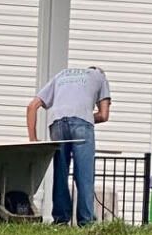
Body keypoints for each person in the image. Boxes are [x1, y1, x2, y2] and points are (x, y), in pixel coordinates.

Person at [26, 65, 111, 226]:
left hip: (56, 122)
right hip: (82, 124)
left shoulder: (61, 74)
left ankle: (60, 220)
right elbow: (104, 115)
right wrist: (83, 115)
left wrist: (33, 140)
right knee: (84, 176)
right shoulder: (100, 77)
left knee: (60, 173)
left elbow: (32, 106)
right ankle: (86, 223)